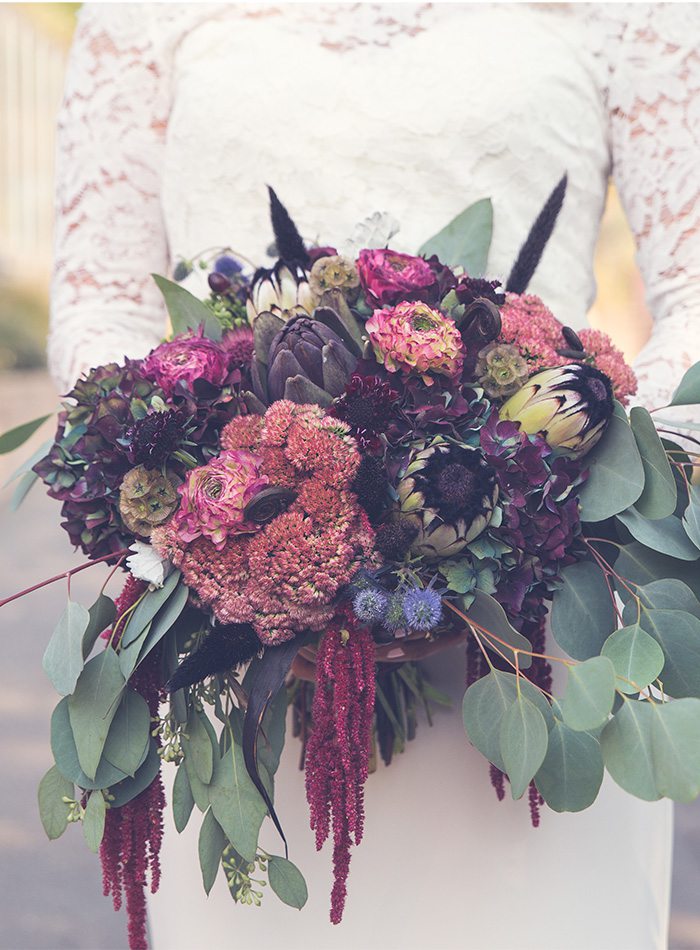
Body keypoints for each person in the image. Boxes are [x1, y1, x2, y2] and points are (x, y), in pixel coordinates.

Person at [48, 4, 699, 949]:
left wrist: (586, 475)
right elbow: (100, 297)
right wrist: (193, 506)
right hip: (237, 618)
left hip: (540, 624)